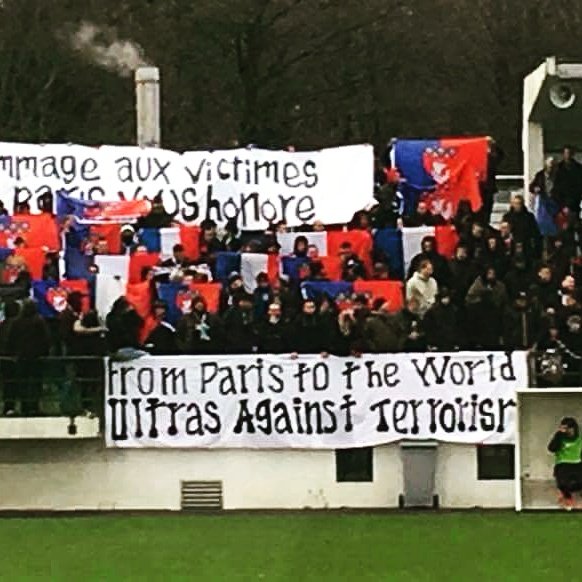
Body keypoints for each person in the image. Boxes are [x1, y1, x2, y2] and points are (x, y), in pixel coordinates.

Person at [6, 299, 51, 415]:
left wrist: (12, 353)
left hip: (20, 357)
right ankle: (34, 407)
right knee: (36, 383)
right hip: (36, 357)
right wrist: (44, 353)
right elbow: (45, 340)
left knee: (22, 383)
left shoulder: (16, 322)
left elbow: (10, 340)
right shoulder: (39, 322)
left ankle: (23, 406)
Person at [548, 418, 582, 510]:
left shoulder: (579, 439)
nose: (568, 431)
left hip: (577, 463)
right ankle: (567, 498)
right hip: (562, 463)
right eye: (565, 429)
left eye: (569, 428)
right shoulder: (560, 438)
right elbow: (551, 448)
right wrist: (558, 434)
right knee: (562, 483)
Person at [502, 195, 542, 259]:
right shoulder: (507, 217)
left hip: (527, 245)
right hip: (512, 244)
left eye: (519, 203)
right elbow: (504, 232)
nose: (517, 206)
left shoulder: (529, 217)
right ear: (512, 204)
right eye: (515, 203)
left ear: (522, 204)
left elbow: (535, 232)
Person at [554, 146, 582, 224]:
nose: (567, 155)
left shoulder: (578, 168)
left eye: (569, 153)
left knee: (575, 224)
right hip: (560, 202)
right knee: (562, 226)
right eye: (566, 153)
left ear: (573, 154)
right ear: (563, 154)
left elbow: (579, 186)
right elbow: (555, 186)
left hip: (575, 201)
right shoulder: (557, 168)